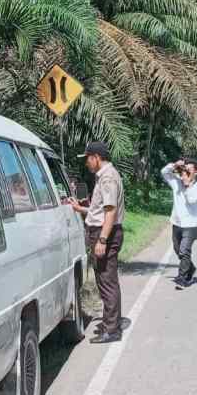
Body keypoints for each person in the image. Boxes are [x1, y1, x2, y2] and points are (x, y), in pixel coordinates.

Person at [68, 142, 126, 344]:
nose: (86, 163)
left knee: (107, 281)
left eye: (87, 159)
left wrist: (102, 239)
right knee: (104, 280)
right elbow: (99, 210)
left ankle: (112, 329)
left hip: (105, 234)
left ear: (96, 157)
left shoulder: (108, 178)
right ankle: (111, 322)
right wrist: (80, 209)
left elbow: (110, 212)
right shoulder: (104, 177)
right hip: (103, 231)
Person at [160, 158, 197, 289]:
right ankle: (191, 269)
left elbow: (191, 200)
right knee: (178, 250)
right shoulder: (176, 183)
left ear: (196, 172)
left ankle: (182, 278)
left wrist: (187, 184)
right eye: (185, 170)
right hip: (177, 223)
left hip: (191, 225)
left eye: (190, 171)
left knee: (184, 250)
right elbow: (164, 172)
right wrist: (175, 165)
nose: (186, 173)